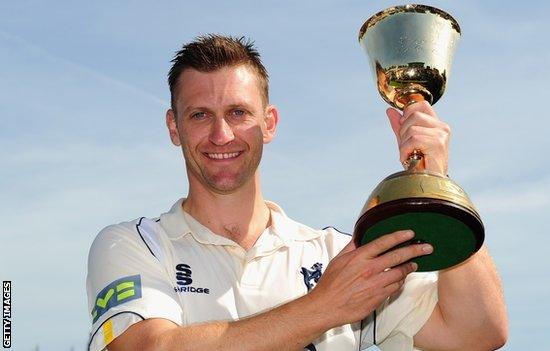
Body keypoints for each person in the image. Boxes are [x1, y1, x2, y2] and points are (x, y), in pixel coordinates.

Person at [86, 35, 507, 351]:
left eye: (238, 112)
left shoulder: (339, 254)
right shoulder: (135, 244)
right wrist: (325, 306)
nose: (221, 134)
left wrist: (438, 183)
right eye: (199, 115)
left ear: (269, 123)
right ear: (174, 127)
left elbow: (477, 332)